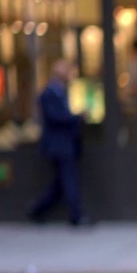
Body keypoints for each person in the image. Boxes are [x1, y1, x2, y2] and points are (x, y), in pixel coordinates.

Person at [29, 59, 89, 226]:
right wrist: (76, 117)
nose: (69, 75)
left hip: (65, 145)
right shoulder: (49, 94)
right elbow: (56, 117)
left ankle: (37, 210)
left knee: (59, 185)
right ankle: (76, 216)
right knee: (68, 181)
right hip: (58, 146)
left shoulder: (62, 92)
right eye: (66, 72)